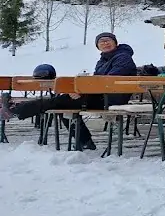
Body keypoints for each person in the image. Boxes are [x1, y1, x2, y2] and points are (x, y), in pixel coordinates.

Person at [0, 33, 138, 150]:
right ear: (97, 46)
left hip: (112, 98)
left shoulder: (123, 58)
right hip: (101, 96)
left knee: (58, 101)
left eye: (108, 41)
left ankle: (14, 111)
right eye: (101, 42)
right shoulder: (102, 61)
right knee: (62, 105)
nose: (105, 43)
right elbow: (97, 81)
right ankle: (85, 142)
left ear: (115, 43)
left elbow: (108, 82)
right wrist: (80, 91)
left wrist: (82, 92)